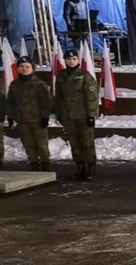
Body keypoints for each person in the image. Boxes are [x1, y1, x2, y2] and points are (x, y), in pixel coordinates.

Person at [55, 49, 99, 180]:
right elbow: (59, 96)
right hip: (68, 115)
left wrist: (92, 115)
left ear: (78, 60)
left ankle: (90, 166)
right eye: (68, 59)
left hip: (83, 115)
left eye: (74, 58)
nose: (71, 61)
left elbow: (92, 96)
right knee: (74, 143)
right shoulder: (61, 76)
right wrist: (58, 113)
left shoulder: (85, 75)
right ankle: (79, 167)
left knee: (87, 142)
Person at [7, 56, 52, 171]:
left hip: (37, 119)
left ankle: (45, 164)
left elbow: (46, 101)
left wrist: (45, 116)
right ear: (17, 69)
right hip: (22, 119)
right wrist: (11, 116)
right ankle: (34, 164)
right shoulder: (14, 84)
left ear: (32, 68)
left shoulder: (39, 83)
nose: (24, 69)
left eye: (27, 66)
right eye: (21, 66)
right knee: (28, 145)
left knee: (41, 144)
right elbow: (11, 102)